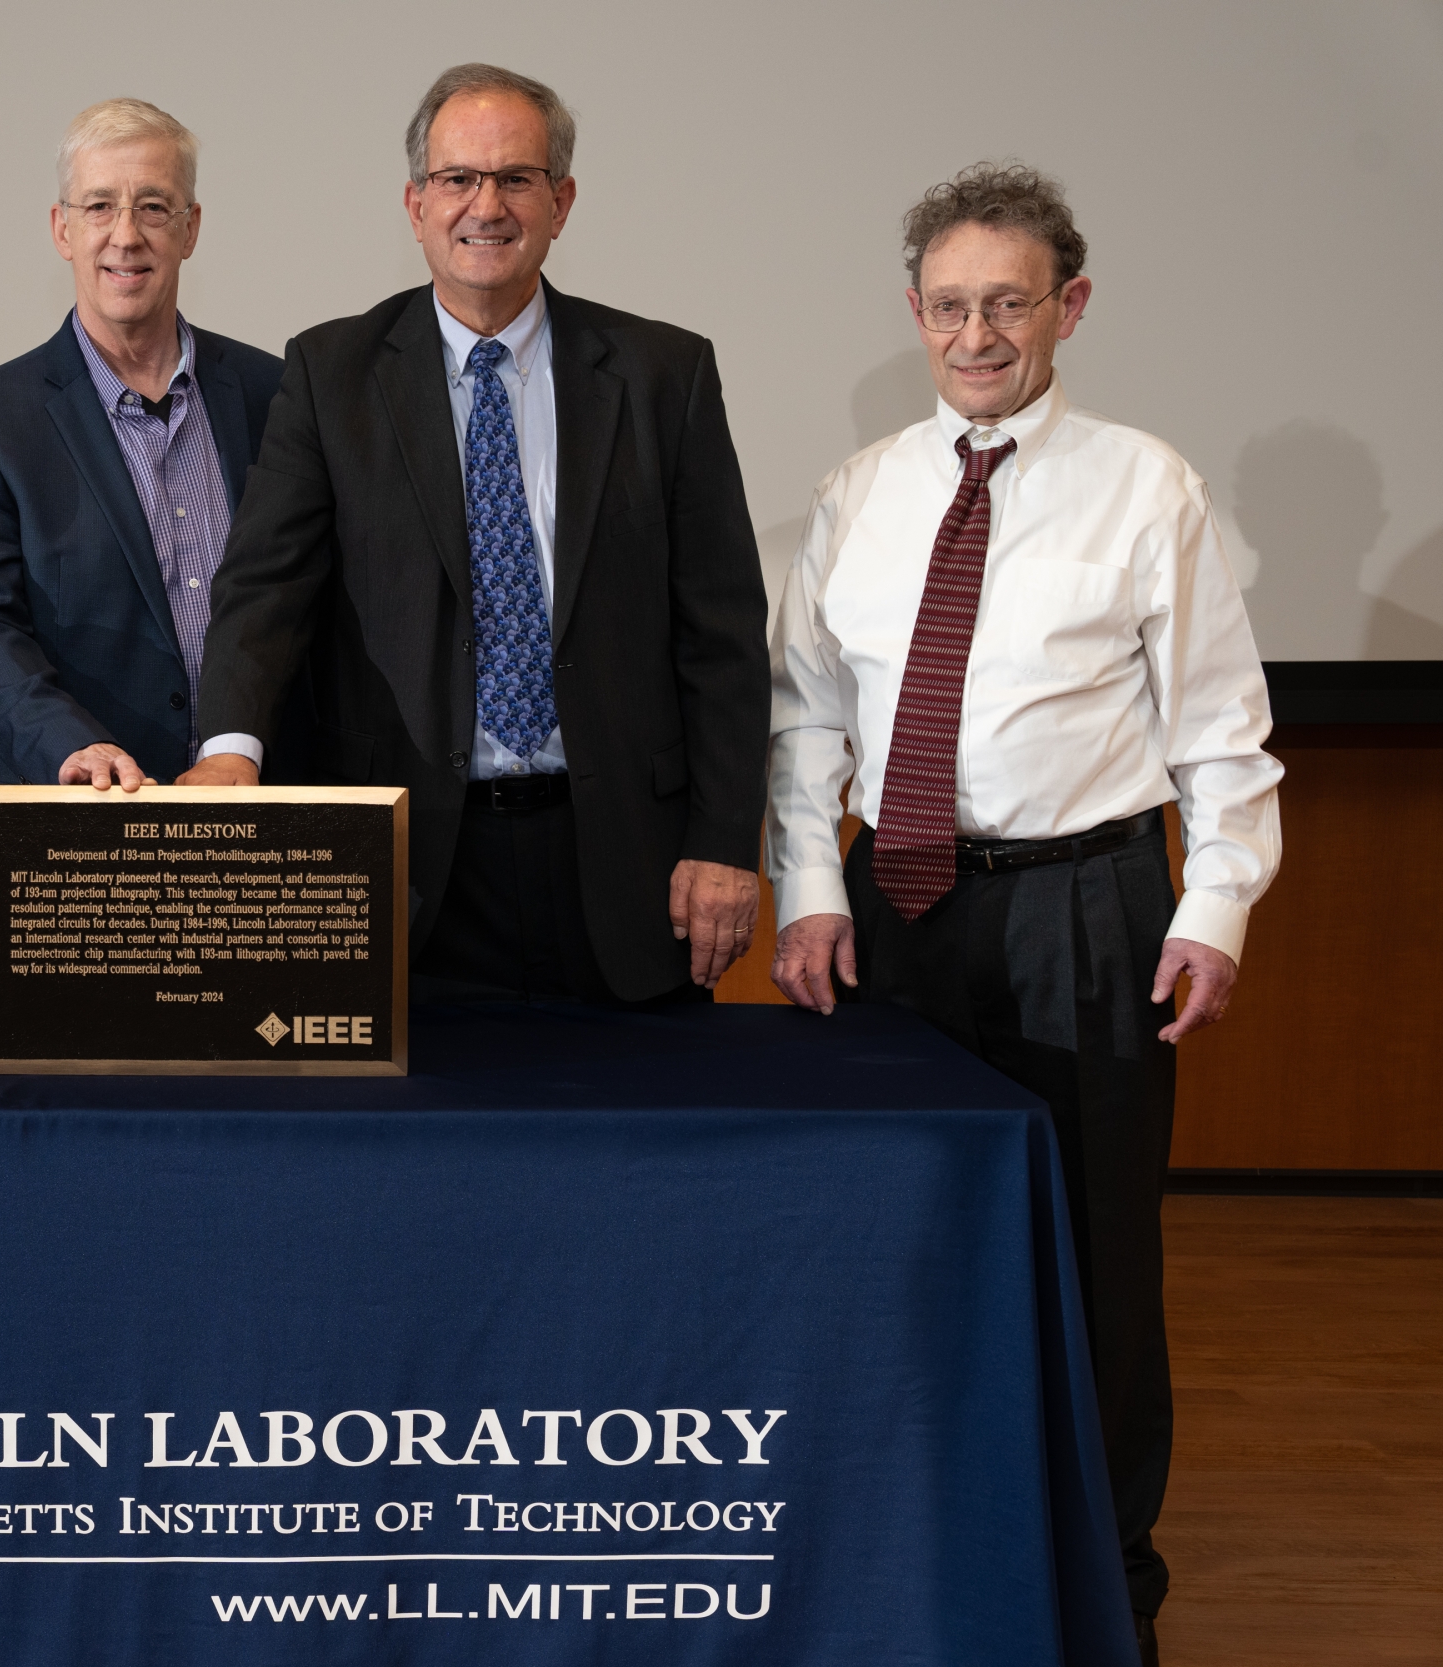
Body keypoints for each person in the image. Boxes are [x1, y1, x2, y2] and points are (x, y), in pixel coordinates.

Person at [766, 162, 1283, 1665]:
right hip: (900, 908)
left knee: (1099, 1250)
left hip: (1088, 906)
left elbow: (1221, 734)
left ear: (1071, 306)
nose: (977, 332)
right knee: (902, 1236)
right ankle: (912, 1535)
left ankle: (1111, 1582)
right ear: (914, 312)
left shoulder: (1147, 483)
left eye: (1009, 301)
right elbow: (807, 723)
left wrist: (1217, 907)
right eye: (949, 304)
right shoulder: (860, 489)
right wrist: (808, 889)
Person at [179, 64, 770, 1004]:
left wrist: (724, 842)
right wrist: (229, 752)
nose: (484, 205)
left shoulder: (665, 375)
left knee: (637, 1142)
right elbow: (264, 591)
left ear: (561, 201)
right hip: (411, 866)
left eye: (515, 178)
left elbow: (724, 636)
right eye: (457, 179)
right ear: (415, 205)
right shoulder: (333, 374)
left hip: (622, 860)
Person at [0, 100, 287, 957]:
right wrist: (73, 748)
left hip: (251, 848)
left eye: (154, 206)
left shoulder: (277, 399)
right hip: (56, 843)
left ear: (191, 229)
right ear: (61, 228)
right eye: (100, 206)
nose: (128, 233)